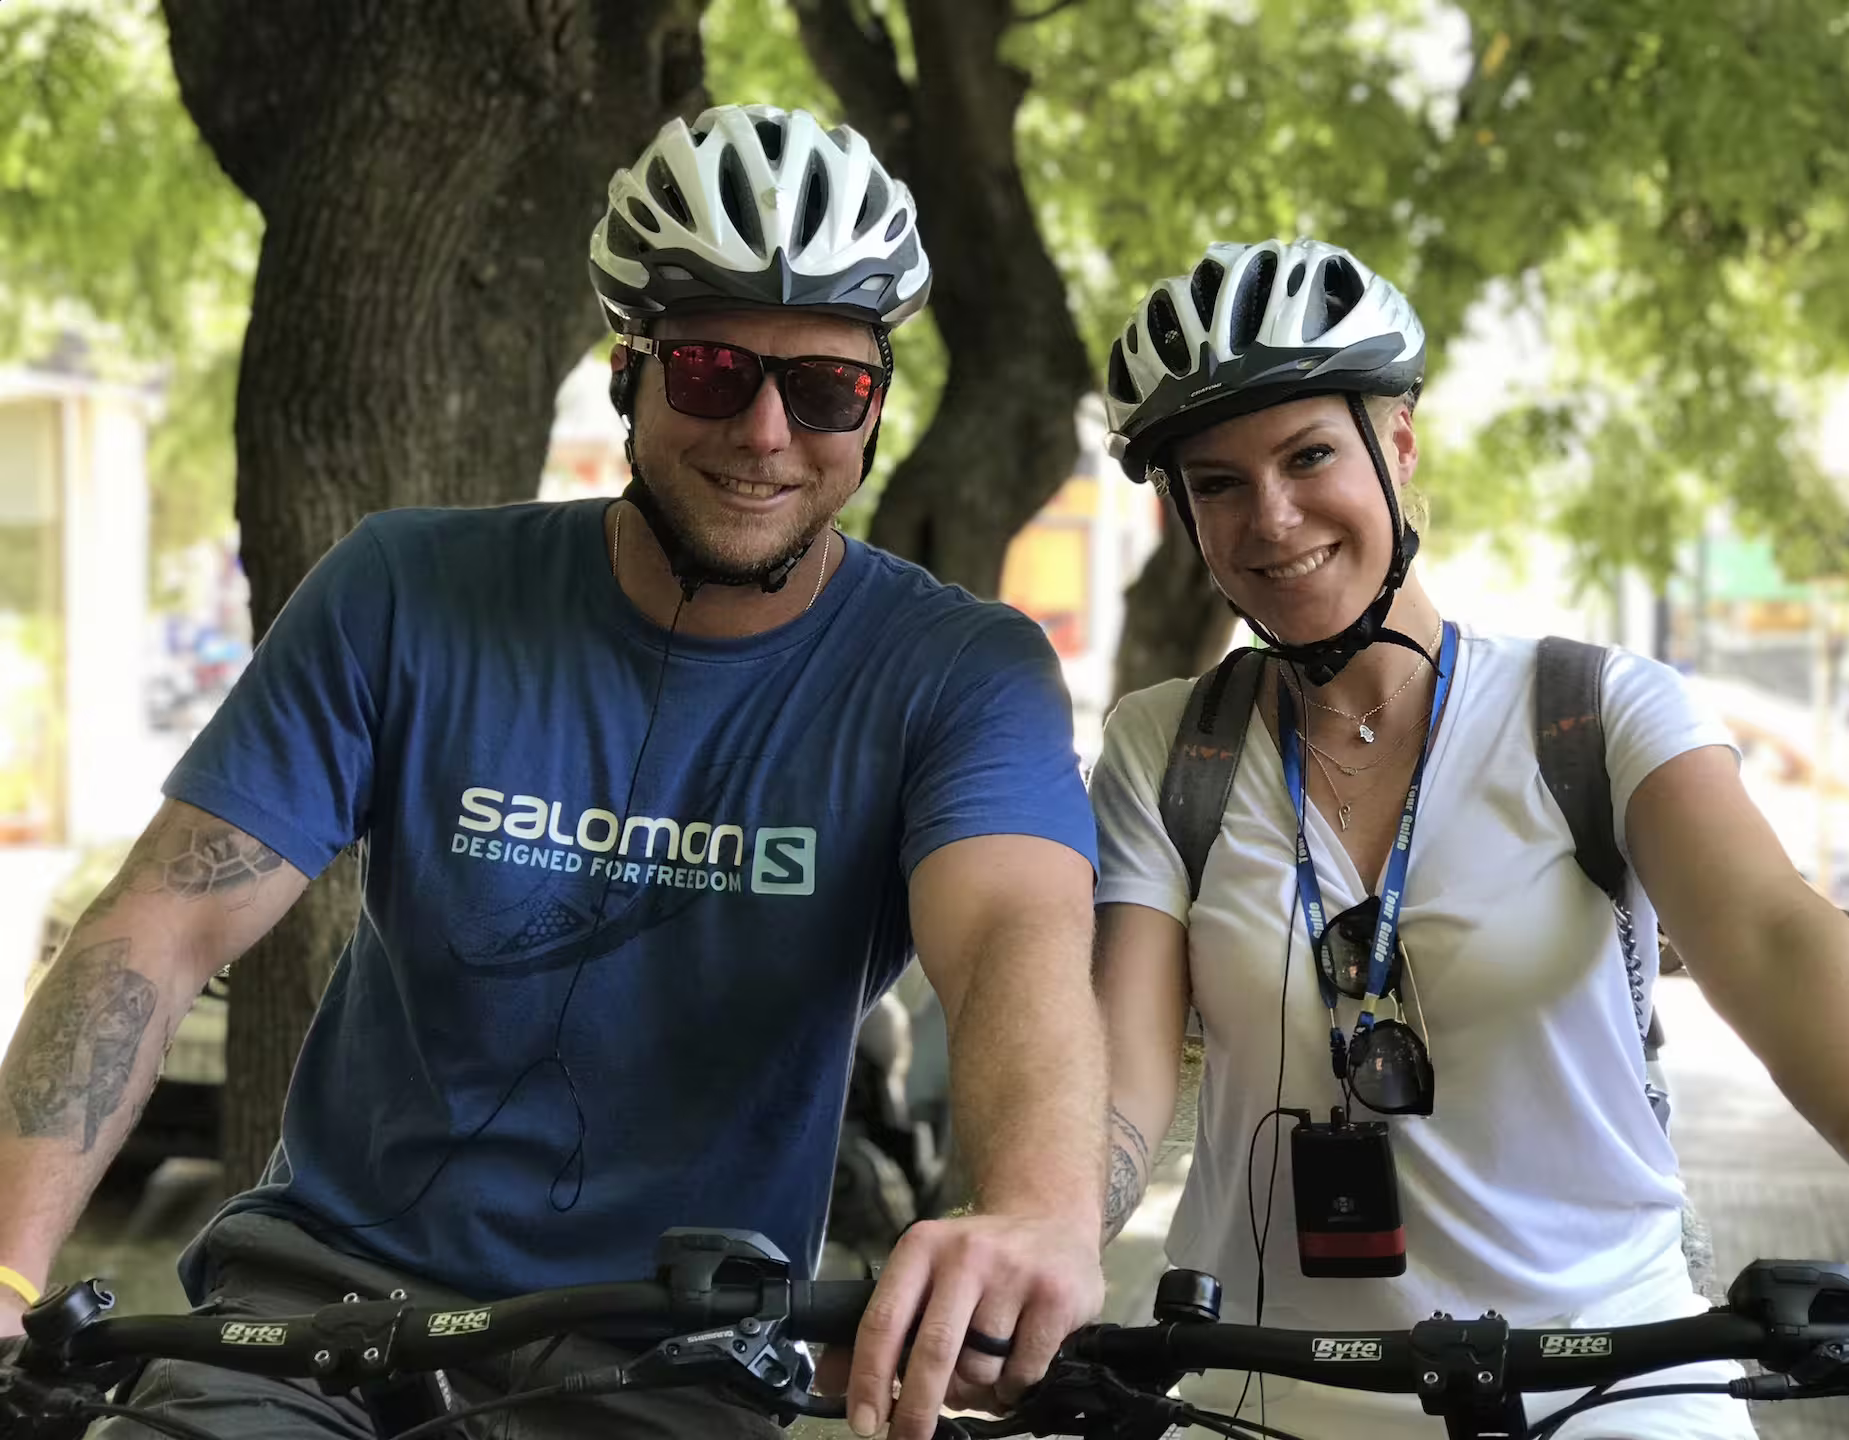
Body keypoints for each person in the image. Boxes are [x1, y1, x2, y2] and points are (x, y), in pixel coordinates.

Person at [0, 104, 1107, 1440]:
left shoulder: (960, 670)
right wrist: (5, 1269)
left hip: (675, 1354)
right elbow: (160, 928)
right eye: (709, 369)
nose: (765, 432)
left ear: (874, 405)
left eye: (825, 388)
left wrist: (1037, 1214)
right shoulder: (405, 589)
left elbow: (1009, 949)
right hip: (318, 1318)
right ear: (624, 370)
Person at [1091, 236, 1849, 1437]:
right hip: (1259, 1395)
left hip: (1611, 1391)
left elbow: (1779, 938)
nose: (1271, 518)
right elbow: (1118, 1069)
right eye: (1216, 484)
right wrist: (1034, 1245)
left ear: (1402, 447)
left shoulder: (1595, 712)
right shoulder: (1168, 748)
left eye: (1311, 455)